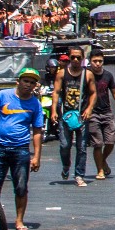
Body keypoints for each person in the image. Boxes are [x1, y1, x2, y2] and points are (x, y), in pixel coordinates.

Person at [0, 67, 46, 230]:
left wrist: (37, 157)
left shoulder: (35, 104)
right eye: (26, 81)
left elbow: (37, 131)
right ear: (18, 81)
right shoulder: (3, 96)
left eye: (32, 82)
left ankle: (19, 221)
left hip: (20, 150)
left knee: (20, 186)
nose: (28, 85)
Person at [50, 48, 89, 187]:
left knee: (82, 147)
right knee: (65, 145)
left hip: (82, 116)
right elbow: (56, 92)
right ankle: (66, 166)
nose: (76, 60)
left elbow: (93, 94)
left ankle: (79, 175)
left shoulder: (87, 74)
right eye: (73, 57)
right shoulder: (62, 74)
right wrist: (54, 110)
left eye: (78, 58)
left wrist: (89, 109)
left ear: (83, 58)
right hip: (65, 116)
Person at [82, 51, 115, 179]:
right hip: (92, 113)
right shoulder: (86, 75)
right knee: (98, 144)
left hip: (106, 112)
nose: (98, 64)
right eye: (95, 61)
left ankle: (103, 160)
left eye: (100, 61)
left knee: (110, 141)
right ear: (90, 61)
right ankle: (100, 170)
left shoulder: (108, 75)